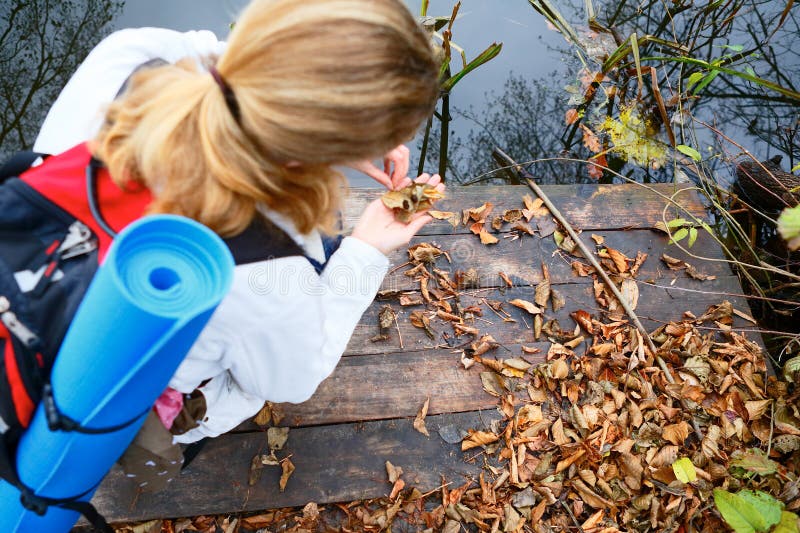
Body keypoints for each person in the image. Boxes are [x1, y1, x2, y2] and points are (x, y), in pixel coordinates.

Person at [33, 0, 443, 486]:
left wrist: (322, 128)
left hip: (37, 302)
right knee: (259, 359)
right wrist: (367, 251)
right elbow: (293, 380)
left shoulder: (127, 56)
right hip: (120, 401)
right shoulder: (264, 272)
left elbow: (225, 63)